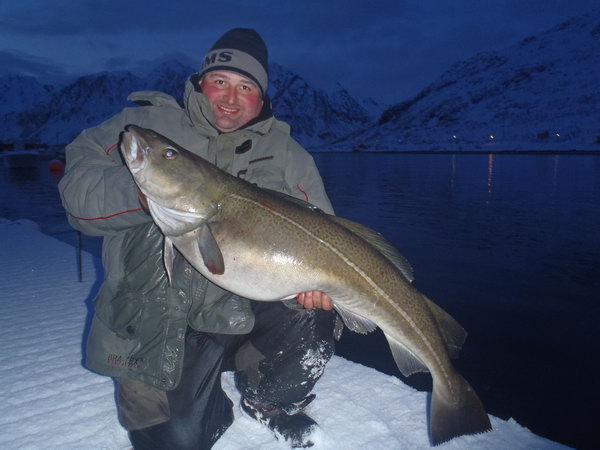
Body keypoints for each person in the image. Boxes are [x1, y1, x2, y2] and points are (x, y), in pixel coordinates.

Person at [59, 28, 337, 449]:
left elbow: (327, 235)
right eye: (220, 81)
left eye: (246, 87)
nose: (230, 96)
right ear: (199, 82)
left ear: (261, 99)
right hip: (162, 323)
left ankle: (268, 398)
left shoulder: (288, 154)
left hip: (246, 307)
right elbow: (77, 192)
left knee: (318, 310)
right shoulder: (148, 126)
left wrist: (319, 284)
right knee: (175, 442)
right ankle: (199, 398)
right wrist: (142, 190)